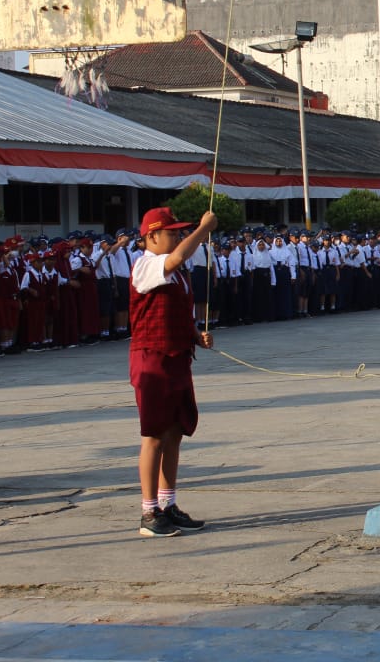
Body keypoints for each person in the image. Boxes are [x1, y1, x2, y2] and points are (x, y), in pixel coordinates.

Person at [129, 206, 218, 538]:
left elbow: (178, 309)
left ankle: (168, 504)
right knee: (152, 435)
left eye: (181, 231)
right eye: (173, 232)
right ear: (152, 235)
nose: (179, 236)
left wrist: (196, 334)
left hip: (177, 356)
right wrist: (203, 229)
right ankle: (149, 510)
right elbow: (176, 258)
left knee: (174, 433)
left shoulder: (178, 274)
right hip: (152, 358)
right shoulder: (146, 264)